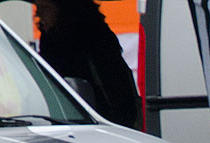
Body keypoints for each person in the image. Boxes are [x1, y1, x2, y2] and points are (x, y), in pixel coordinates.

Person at [34, 0, 141, 129]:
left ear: (64, 11)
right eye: (38, 8)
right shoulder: (49, 38)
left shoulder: (93, 39)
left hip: (100, 119)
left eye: (45, 7)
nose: (38, 14)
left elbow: (115, 88)